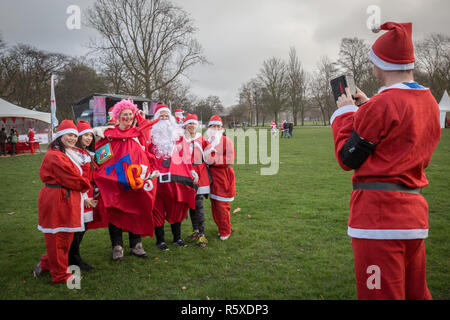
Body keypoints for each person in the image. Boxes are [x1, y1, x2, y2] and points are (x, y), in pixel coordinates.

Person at [330, 22, 441, 300]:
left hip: (378, 221)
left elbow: (348, 157)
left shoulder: (383, 104)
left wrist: (345, 114)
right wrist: (367, 106)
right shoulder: (429, 102)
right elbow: (396, 134)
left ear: (381, 65)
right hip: (414, 217)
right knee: (416, 293)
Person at [93, 100, 159, 260]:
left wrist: (149, 169)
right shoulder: (108, 135)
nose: (128, 117)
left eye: (130, 114)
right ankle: (117, 246)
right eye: (125, 114)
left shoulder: (137, 135)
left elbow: (145, 153)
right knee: (116, 210)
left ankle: (136, 244)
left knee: (135, 209)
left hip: (135, 181)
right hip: (115, 181)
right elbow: (100, 158)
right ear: (118, 116)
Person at [33, 120, 95, 284]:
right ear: (60, 136)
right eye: (69, 135)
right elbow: (73, 178)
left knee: (63, 237)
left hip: (65, 197)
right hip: (58, 199)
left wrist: (82, 183)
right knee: (59, 237)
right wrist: (85, 184)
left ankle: (47, 262)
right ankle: (60, 275)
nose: (73, 138)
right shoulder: (55, 155)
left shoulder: (67, 152)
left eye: (75, 135)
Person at [149, 105, 198, 251]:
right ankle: (160, 241)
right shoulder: (150, 136)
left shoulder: (179, 136)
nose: (163, 119)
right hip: (157, 180)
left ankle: (177, 238)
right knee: (157, 210)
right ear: (156, 118)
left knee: (176, 208)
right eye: (160, 116)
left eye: (166, 116)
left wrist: (191, 170)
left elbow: (186, 156)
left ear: (170, 118)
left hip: (176, 179)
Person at [67, 121, 97, 271]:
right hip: (80, 194)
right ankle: (73, 258)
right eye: (85, 135)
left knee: (83, 227)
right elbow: (77, 177)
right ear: (78, 136)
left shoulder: (86, 153)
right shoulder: (74, 153)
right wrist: (85, 196)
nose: (89, 138)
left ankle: (73, 256)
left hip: (88, 193)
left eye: (91, 135)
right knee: (77, 228)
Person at [183, 113, 211, 247]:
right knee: (191, 202)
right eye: (189, 123)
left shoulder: (202, 139)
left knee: (198, 203)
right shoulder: (181, 139)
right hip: (185, 173)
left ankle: (202, 233)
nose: (192, 126)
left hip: (199, 174)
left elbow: (210, 153)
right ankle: (195, 230)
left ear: (197, 125)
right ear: (185, 125)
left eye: (194, 123)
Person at [205, 115, 236, 240]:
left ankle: (225, 230)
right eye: (213, 126)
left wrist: (212, 160)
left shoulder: (226, 141)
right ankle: (222, 226)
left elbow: (229, 159)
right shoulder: (206, 140)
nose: (216, 128)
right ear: (209, 127)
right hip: (211, 177)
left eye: (218, 126)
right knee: (214, 205)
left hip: (223, 176)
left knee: (222, 205)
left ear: (221, 128)